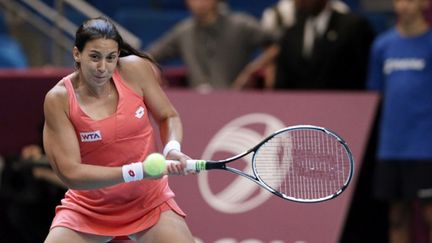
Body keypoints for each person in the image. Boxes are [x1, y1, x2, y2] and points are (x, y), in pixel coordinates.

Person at [42, 16, 195, 242]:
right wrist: (138, 171)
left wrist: (172, 148)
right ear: (77, 54)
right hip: (89, 208)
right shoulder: (59, 99)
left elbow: (168, 116)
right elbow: (71, 174)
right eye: (94, 57)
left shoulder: (135, 70)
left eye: (111, 58)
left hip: (148, 202)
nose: (103, 68)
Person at [367, 0, 432, 242]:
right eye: (399, 0)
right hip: (391, 148)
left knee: (429, 214)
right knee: (396, 215)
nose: (403, 6)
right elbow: (376, 93)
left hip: (426, 147)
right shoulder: (382, 45)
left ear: (424, 3)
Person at [233, 0, 375, 90]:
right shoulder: (291, 33)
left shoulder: (353, 27)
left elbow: (365, 75)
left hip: (344, 112)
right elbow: (283, 82)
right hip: (302, 113)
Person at [146, 0, 274, 91]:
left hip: (236, 100)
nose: (199, 2)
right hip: (198, 103)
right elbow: (150, 55)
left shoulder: (241, 25)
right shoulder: (184, 31)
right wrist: (153, 73)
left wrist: (251, 70)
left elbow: (277, 45)